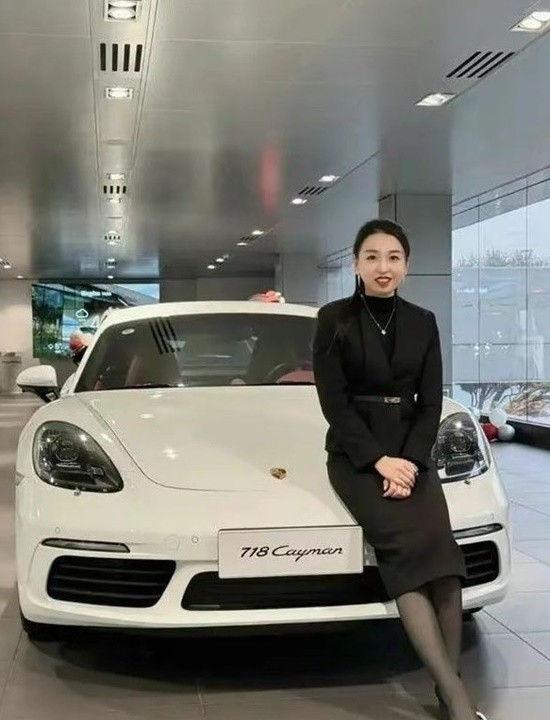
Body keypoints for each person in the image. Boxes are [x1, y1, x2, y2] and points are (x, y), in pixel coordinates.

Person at [312, 219, 487, 720]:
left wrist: (409, 460)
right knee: (406, 558)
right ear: (356, 264)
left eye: (393, 257)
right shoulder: (333, 319)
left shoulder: (423, 321)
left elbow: (431, 402)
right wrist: (379, 460)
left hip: (413, 454)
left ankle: (449, 690)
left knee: (444, 561)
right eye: (372, 257)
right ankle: (457, 699)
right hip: (357, 457)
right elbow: (334, 402)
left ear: (406, 265)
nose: (382, 267)